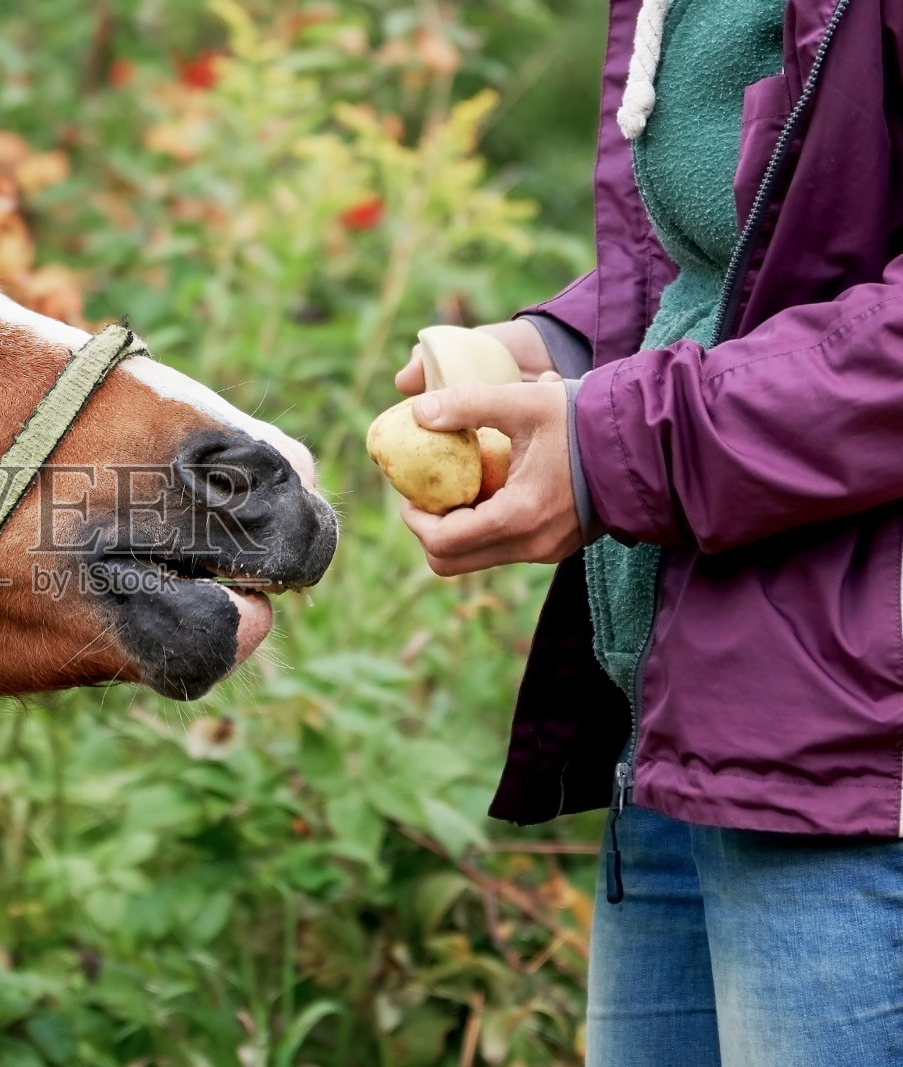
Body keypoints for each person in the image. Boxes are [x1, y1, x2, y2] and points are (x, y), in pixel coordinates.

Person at [393, 1, 903, 1063]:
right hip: (687, 717)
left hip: (857, 767)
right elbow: (745, 257)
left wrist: (619, 443)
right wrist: (564, 347)